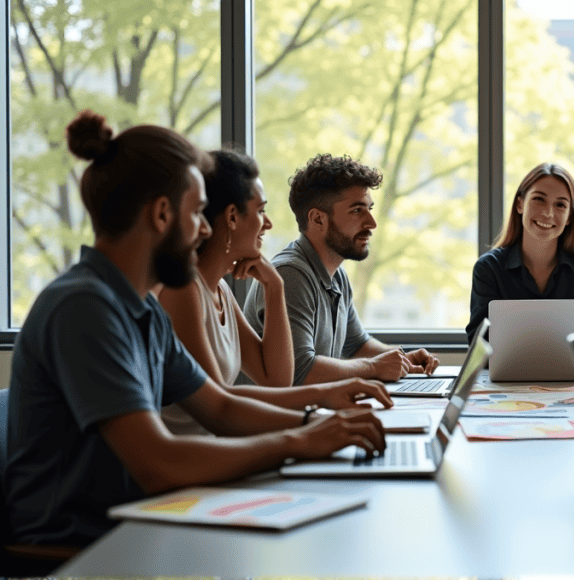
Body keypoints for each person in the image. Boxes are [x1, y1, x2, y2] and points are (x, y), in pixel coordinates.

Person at [3, 111, 385, 547]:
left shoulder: (139, 305)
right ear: (163, 214)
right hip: (85, 545)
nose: (206, 229)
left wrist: (317, 423)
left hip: (140, 517)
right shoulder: (86, 307)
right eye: (199, 213)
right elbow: (158, 462)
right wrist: (301, 438)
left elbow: (219, 406)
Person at [157, 149, 395, 436]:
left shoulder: (220, 290)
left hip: (223, 449)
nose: (268, 224)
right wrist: (316, 413)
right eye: (260, 211)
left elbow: (276, 380)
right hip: (201, 462)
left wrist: (274, 288)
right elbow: (220, 404)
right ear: (232, 217)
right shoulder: (183, 291)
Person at [243, 153, 439, 385]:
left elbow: (356, 345)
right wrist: (374, 367)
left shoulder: (337, 276)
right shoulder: (290, 275)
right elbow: (300, 370)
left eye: (369, 209)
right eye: (357, 211)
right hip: (274, 418)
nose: (371, 223)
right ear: (317, 220)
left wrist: (404, 359)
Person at [467, 162, 574, 366]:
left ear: (570, 217)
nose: (548, 213)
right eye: (539, 199)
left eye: (560, 205)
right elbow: (478, 347)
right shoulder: (489, 269)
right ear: (520, 204)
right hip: (511, 388)